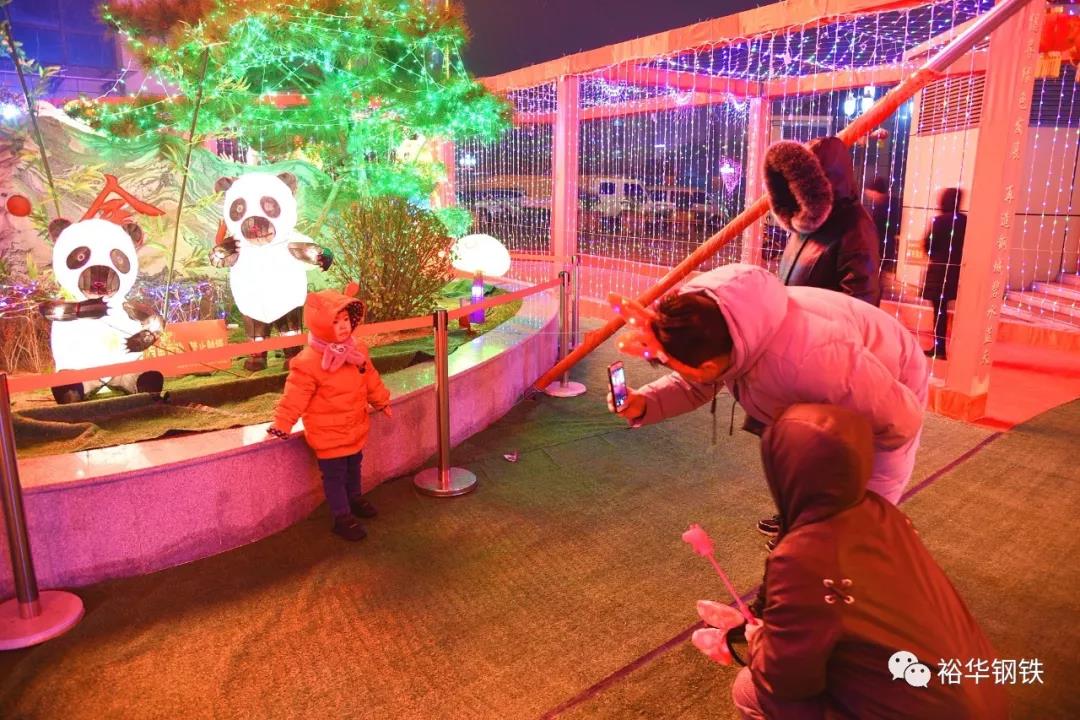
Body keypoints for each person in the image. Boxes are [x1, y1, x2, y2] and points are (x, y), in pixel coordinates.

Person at [725, 404, 1007, 719]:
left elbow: (786, 679)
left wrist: (757, 640)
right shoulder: (883, 513)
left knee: (748, 688)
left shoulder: (803, 556)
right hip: (984, 697)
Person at [609, 263, 927, 507]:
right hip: (832, 382)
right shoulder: (719, 324)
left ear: (708, 366)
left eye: (681, 367)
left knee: (865, 512)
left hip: (891, 375)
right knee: (816, 489)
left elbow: (901, 423)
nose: (687, 374)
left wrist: (867, 508)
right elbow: (699, 380)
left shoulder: (811, 361)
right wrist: (647, 402)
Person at [267, 284, 392, 541]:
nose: (343, 326)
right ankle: (341, 517)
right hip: (328, 434)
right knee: (335, 476)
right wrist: (282, 423)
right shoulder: (308, 362)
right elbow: (295, 396)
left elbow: (371, 379)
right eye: (335, 322)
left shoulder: (357, 352)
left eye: (346, 319)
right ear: (321, 324)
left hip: (355, 426)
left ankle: (355, 498)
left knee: (354, 466)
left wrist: (381, 401)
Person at [764, 136, 881, 306]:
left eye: (802, 183)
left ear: (825, 181)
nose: (795, 190)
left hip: (817, 324)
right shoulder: (804, 221)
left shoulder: (856, 229)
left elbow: (861, 306)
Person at [921, 188, 967, 360]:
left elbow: (928, 245)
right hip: (959, 271)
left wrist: (936, 257)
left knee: (939, 313)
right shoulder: (965, 222)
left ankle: (939, 349)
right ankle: (962, 349)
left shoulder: (939, 221)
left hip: (939, 272)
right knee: (962, 312)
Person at [864, 175, 901, 274]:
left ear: (876, 192)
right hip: (882, 246)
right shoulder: (889, 204)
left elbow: (881, 228)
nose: (871, 198)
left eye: (871, 194)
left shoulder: (887, 207)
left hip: (882, 247)